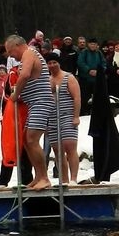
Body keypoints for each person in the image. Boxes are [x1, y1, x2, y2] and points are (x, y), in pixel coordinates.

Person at [4, 34, 54, 190]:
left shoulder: (29, 53)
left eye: (11, 52)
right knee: (26, 140)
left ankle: (44, 177)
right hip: (34, 103)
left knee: (31, 139)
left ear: (18, 46)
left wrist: (15, 94)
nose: (12, 56)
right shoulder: (26, 55)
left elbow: (25, 75)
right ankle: (39, 176)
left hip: (41, 102)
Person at [43, 53, 81, 183]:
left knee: (70, 146)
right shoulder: (47, 80)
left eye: (54, 62)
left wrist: (76, 116)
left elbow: (77, 97)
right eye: (49, 63)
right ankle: (64, 180)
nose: (52, 65)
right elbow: (45, 102)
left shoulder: (68, 77)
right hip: (52, 118)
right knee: (57, 150)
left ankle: (74, 179)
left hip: (67, 115)